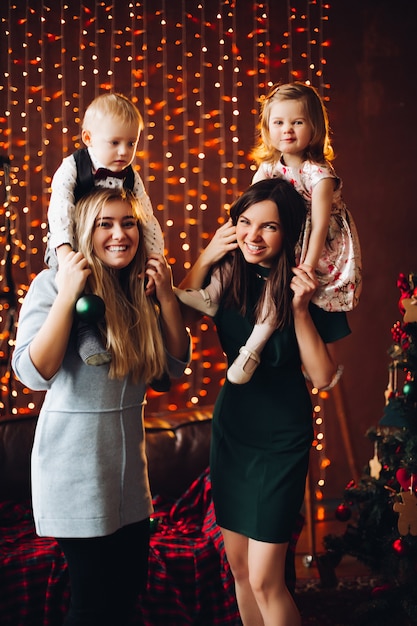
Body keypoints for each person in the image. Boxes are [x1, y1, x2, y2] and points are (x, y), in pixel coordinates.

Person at [12, 188, 191, 626]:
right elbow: (34, 373)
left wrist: (167, 296)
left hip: (128, 471)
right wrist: (68, 294)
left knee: (127, 596)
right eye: (104, 224)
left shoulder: (138, 286)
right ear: (83, 231)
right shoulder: (53, 282)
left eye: (128, 223)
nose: (119, 234)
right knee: (92, 605)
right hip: (73, 468)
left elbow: (173, 367)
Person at [179, 177, 350, 626]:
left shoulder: (310, 285)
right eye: (246, 223)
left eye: (268, 227)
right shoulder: (227, 274)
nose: (253, 236)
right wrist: (206, 256)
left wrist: (298, 310)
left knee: (265, 579)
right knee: (238, 568)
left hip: (282, 434)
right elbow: (178, 320)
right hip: (233, 427)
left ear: (289, 231)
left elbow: (321, 376)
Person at [175, 81, 361, 385]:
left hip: (310, 246)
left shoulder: (320, 175)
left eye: (297, 122)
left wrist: (307, 271)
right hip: (232, 420)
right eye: (278, 122)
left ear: (314, 128)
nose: (287, 130)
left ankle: (252, 350)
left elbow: (318, 228)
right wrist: (212, 253)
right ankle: (210, 296)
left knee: (281, 289)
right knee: (233, 255)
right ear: (267, 128)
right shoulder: (268, 168)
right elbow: (249, 208)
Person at [46, 92, 164, 367]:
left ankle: (151, 355)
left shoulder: (131, 175)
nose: (124, 152)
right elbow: (60, 208)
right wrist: (65, 254)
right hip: (69, 242)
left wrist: (155, 256)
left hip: (108, 249)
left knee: (135, 288)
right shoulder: (73, 166)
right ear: (88, 139)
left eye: (131, 143)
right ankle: (86, 337)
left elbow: (146, 216)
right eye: (115, 143)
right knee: (75, 285)